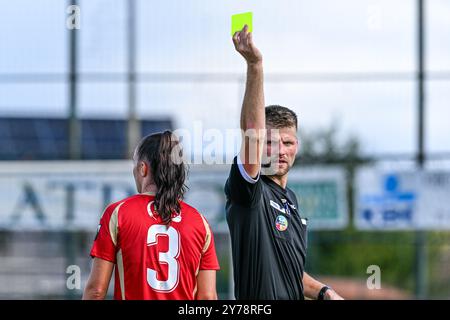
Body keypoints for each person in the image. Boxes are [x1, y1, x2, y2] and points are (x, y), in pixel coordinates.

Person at [225, 25, 344, 300]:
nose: (280, 150)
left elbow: (290, 273)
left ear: (297, 147)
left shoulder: (290, 199)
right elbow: (252, 132)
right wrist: (255, 65)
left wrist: (325, 291)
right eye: (270, 142)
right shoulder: (250, 191)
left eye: (287, 143)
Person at [83, 131, 220, 300]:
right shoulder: (200, 223)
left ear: (142, 169)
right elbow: (207, 297)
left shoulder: (118, 213)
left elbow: (96, 291)